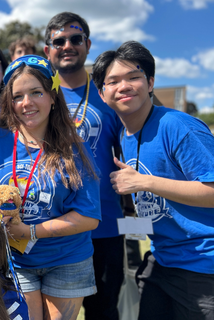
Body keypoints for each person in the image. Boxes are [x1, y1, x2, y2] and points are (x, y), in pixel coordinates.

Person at [0, 55, 101, 320]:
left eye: (36, 92)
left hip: (67, 259)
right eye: (17, 96)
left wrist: (29, 230)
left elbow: (88, 217)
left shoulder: (74, 147)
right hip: (13, 260)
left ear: (53, 97)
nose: (26, 103)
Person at [92, 40, 214, 320]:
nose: (124, 86)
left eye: (134, 77)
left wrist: (144, 183)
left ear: (150, 83)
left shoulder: (177, 126)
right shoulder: (125, 135)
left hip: (202, 266)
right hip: (161, 261)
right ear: (102, 93)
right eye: (113, 81)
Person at [43, 12, 125, 320]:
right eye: (58, 41)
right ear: (47, 50)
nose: (67, 46)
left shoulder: (110, 95)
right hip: (54, 228)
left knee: (104, 312)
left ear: (88, 45)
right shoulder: (39, 96)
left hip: (105, 227)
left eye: (75, 39)